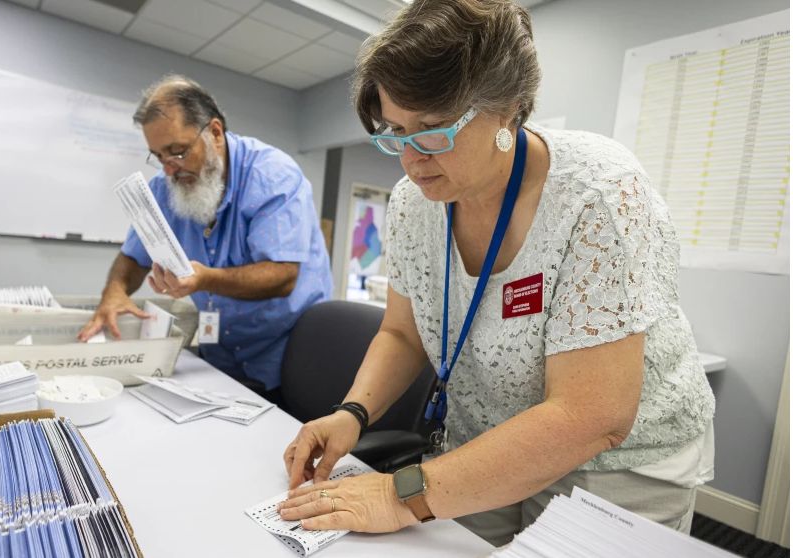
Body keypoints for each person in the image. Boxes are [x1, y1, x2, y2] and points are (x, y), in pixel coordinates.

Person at [278, 0, 715, 545]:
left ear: (510, 109)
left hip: (615, 462)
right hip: (482, 439)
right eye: (394, 130)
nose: (410, 159)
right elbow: (400, 332)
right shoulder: (414, 203)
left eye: (434, 130)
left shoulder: (599, 194)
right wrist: (353, 413)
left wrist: (398, 494)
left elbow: (592, 415)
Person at [78, 75, 332, 402]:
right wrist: (114, 292)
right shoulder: (163, 187)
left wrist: (204, 279)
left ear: (214, 132)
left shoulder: (273, 176)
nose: (169, 169)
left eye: (178, 152)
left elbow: (282, 276)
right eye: (158, 156)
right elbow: (132, 258)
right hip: (219, 354)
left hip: (287, 354)